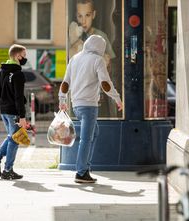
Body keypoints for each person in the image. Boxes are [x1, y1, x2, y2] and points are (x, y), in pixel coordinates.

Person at [59, 35, 123, 183]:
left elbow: (65, 82)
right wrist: (117, 98)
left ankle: (85, 166)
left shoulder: (74, 59)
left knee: (94, 133)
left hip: (76, 105)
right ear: (100, 47)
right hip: (89, 105)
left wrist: (62, 99)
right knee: (86, 139)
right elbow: (105, 83)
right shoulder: (97, 60)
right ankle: (81, 172)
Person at [0, 44, 28, 180]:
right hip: (14, 112)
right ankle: (7, 170)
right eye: (24, 55)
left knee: (12, 137)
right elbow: (18, 97)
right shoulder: (18, 74)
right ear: (17, 56)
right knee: (15, 140)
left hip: (4, 110)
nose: (25, 58)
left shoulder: (2, 71)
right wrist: (22, 116)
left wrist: (4, 104)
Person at [69, 0, 115, 66]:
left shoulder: (101, 36)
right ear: (76, 16)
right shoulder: (74, 36)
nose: (83, 21)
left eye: (87, 15)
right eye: (80, 16)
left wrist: (107, 62)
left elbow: (112, 63)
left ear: (93, 15)